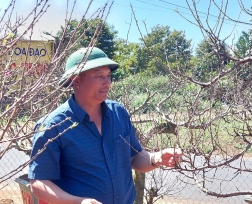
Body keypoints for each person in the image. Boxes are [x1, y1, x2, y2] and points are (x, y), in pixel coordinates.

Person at [28, 47, 183, 204]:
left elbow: (134, 157)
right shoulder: (53, 126)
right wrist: (79, 202)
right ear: (76, 80)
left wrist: (156, 158)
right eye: (99, 76)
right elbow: (39, 183)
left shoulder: (118, 113)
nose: (107, 82)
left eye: (108, 76)